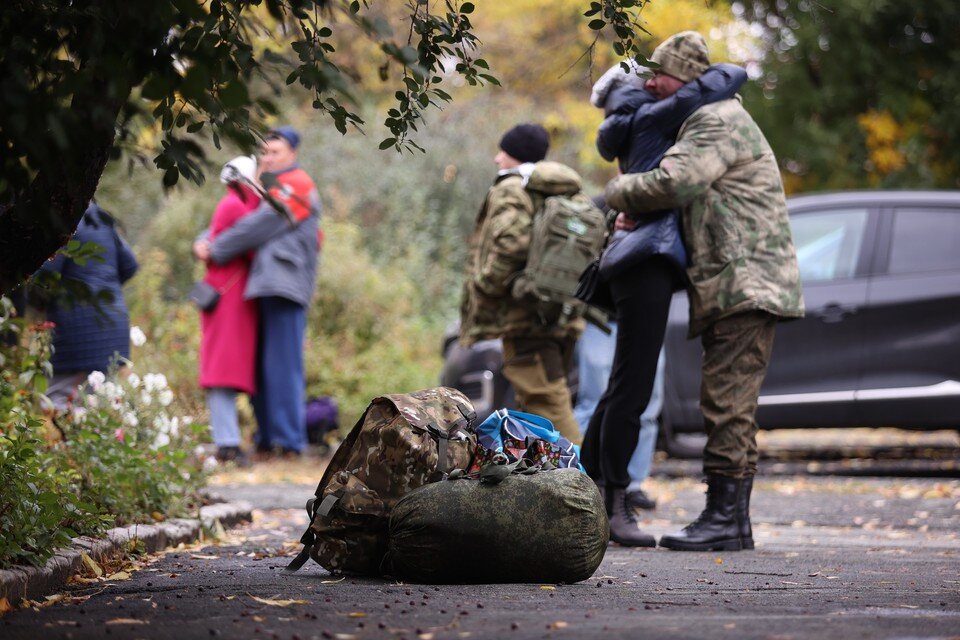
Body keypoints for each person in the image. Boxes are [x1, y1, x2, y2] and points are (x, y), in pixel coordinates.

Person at [605, 31, 804, 551]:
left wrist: (614, 192)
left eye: (662, 75)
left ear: (688, 79)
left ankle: (725, 520)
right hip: (736, 279)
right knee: (727, 400)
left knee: (728, 402)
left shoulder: (714, 120)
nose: (651, 82)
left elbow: (672, 182)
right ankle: (728, 520)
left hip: (744, 279)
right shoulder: (719, 117)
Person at [580, 53, 747, 546]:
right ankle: (614, 503)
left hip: (636, 261)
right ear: (637, 92)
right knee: (630, 388)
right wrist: (705, 69)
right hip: (646, 261)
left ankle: (594, 493)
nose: (658, 84)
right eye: (648, 79)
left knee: (621, 386)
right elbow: (727, 78)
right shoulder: (651, 116)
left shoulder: (630, 122)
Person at [194, 125, 321, 458]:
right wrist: (205, 239)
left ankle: (290, 443)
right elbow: (240, 214)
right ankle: (268, 438)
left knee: (283, 367)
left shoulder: (298, 185)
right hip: (263, 287)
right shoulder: (272, 186)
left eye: (275, 152)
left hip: (285, 285)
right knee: (265, 368)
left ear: (292, 154)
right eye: (263, 153)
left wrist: (215, 248)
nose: (267, 158)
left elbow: (258, 224)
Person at [459, 123, 583, 444]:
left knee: (546, 401)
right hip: (559, 308)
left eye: (504, 151)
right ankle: (548, 486)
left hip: (526, 316)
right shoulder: (556, 189)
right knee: (534, 405)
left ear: (516, 155)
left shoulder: (513, 188)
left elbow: (511, 244)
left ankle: (582, 483)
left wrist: (487, 284)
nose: (497, 158)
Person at [37, 202, 139, 409]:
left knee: (57, 401)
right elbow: (130, 264)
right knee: (100, 405)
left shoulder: (63, 217)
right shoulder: (100, 217)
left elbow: (43, 277)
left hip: (75, 331)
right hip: (112, 323)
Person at [198, 156, 262, 464]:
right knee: (223, 370)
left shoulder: (233, 203)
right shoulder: (236, 206)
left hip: (228, 292)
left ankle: (228, 438)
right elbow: (249, 243)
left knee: (226, 367)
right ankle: (227, 442)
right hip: (229, 295)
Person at [573, 323, 665, 511]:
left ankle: (633, 486)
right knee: (593, 402)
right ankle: (584, 482)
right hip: (600, 317)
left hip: (646, 314)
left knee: (647, 406)